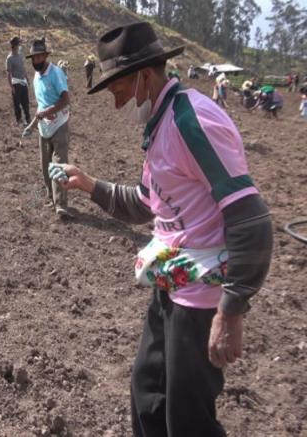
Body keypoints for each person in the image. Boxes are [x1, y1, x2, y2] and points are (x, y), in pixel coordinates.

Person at [48, 22, 272, 437]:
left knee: (187, 420)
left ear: (144, 78)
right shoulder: (161, 124)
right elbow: (148, 204)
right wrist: (88, 184)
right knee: (148, 394)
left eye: (118, 91)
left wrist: (232, 307)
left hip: (203, 295)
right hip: (172, 279)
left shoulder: (192, 123)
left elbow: (251, 217)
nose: (117, 105)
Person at [24, 37, 72, 219]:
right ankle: (51, 198)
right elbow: (40, 105)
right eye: (33, 58)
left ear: (45, 55)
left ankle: (61, 205)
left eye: (38, 57)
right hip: (44, 128)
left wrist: (49, 111)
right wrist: (32, 125)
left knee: (58, 164)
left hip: (59, 124)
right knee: (45, 166)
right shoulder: (36, 78)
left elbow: (65, 99)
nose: (35, 61)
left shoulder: (56, 73)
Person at [5, 36, 31, 126]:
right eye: (19, 44)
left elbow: (23, 68)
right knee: (17, 104)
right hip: (16, 83)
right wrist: (11, 87)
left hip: (23, 82)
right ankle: (19, 120)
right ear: (15, 46)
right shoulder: (10, 58)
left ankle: (28, 119)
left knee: (26, 102)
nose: (20, 45)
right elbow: (9, 73)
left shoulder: (20, 55)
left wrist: (27, 78)